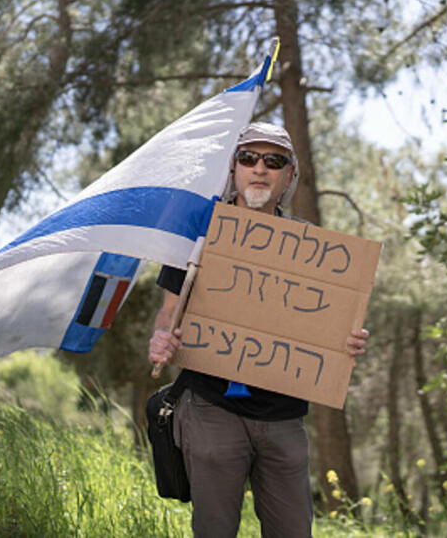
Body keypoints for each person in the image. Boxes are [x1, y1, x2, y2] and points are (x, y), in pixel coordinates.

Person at [148, 122, 369, 538]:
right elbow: (168, 313)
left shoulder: (311, 247)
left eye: (274, 161)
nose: (260, 169)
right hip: (210, 409)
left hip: (283, 420)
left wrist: (348, 342)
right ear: (233, 168)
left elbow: (332, 326)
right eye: (248, 158)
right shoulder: (200, 233)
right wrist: (162, 340)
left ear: (288, 175)